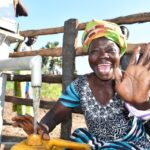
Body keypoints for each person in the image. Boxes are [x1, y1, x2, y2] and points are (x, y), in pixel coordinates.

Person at [12, 20, 150, 149]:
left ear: (120, 54)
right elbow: (55, 114)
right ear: (88, 56)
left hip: (130, 143)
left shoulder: (130, 82)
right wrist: (41, 127)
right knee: (77, 140)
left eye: (110, 50)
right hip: (96, 141)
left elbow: (145, 111)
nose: (103, 56)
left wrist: (141, 104)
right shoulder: (80, 85)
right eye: (94, 51)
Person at [13, 36, 37, 116]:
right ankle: (20, 114)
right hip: (21, 71)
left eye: (36, 38)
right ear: (28, 37)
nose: (34, 39)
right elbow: (16, 51)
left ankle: (27, 114)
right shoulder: (22, 44)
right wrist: (20, 42)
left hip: (28, 72)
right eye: (32, 37)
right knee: (20, 93)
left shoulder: (31, 48)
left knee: (28, 93)